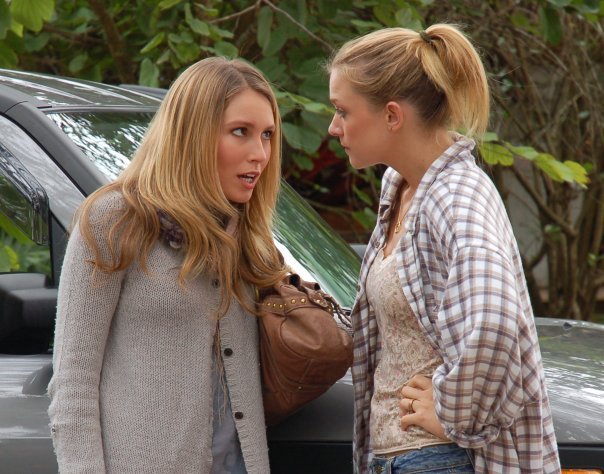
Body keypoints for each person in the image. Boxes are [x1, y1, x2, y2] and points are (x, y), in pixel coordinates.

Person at [326, 25, 561, 473]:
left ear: (392, 116)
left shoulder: (457, 196)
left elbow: (495, 320)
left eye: (342, 110)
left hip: (437, 458)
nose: (334, 127)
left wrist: (453, 410)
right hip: (401, 457)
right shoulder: (402, 187)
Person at [47, 57, 287, 473]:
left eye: (267, 135)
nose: (260, 154)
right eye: (240, 132)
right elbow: (73, 384)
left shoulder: (247, 234)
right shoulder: (114, 220)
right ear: (192, 133)